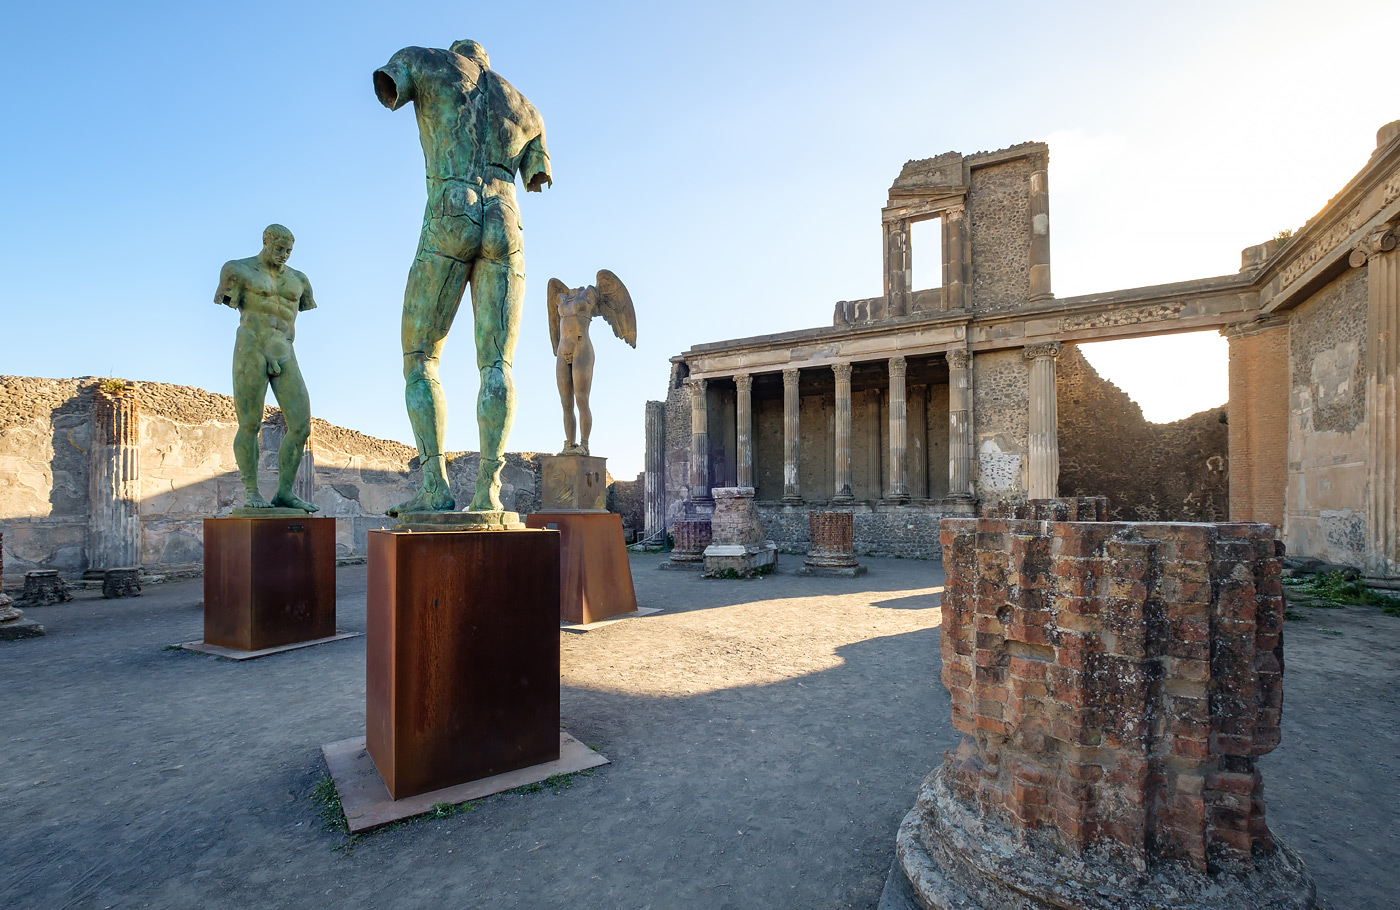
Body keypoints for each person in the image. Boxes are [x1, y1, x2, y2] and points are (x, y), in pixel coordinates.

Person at [373, 39, 552, 516]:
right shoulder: (526, 108)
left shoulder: (426, 61)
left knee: (420, 359)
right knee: (498, 366)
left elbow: (389, 87)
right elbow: (536, 176)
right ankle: (487, 491)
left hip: (451, 209)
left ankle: (435, 484)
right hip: (505, 219)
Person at [214, 224, 318, 512]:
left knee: (300, 426)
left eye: (288, 250)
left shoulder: (299, 280)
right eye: (279, 248)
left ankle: (284, 492)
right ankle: (251, 491)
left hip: (284, 351)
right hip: (251, 348)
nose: (284, 255)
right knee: (249, 423)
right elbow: (229, 301)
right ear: (266, 242)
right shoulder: (237, 270)